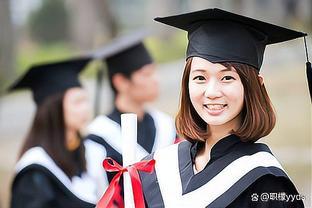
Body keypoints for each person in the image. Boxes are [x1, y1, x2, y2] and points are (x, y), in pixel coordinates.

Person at [138, 8, 307, 207]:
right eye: (200, 78)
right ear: (186, 84)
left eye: (227, 78)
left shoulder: (267, 183)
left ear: (254, 85)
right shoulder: (159, 169)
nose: (212, 91)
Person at [9, 57, 108, 208]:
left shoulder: (91, 153)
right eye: (77, 102)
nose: (86, 109)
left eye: (86, 100)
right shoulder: (35, 173)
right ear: (54, 109)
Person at [87, 31, 177, 183]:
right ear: (121, 82)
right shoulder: (98, 138)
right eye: (146, 74)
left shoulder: (165, 125)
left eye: (154, 71)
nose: (156, 80)